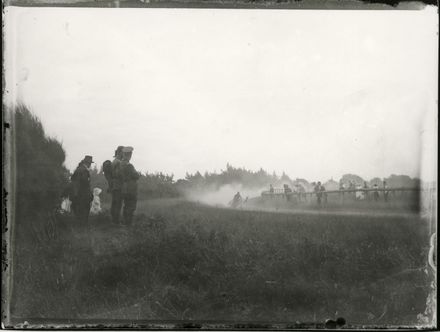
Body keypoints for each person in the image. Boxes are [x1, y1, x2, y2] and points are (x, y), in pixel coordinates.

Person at [120, 146, 140, 225]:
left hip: (124, 187)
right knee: (131, 206)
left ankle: (125, 222)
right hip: (131, 188)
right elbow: (136, 176)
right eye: (130, 154)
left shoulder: (121, 164)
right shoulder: (129, 166)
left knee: (126, 205)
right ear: (129, 155)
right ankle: (128, 223)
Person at [71, 155, 93, 224]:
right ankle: (82, 226)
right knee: (83, 210)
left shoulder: (81, 169)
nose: (90, 165)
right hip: (82, 194)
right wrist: (76, 194)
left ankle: (82, 225)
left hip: (82, 194)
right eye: (90, 163)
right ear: (87, 163)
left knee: (82, 210)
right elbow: (79, 183)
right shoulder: (82, 170)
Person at [110, 146, 124, 224]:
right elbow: (118, 174)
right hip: (118, 186)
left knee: (115, 203)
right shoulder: (118, 162)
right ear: (119, 152)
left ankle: (114, 221)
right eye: (123, 152)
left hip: (115, 185)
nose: (124, 154)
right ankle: (116, 222)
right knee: (117, 204)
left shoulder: (115, 161)